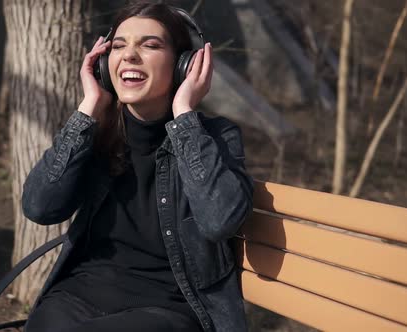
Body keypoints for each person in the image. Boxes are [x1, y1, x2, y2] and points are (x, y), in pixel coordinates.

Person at [22, 2, 253, 331]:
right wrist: (88, 108)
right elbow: (39, 207)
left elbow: (219, 222)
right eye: (118, 46)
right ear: (104, 64)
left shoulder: (214, 138)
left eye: (150, 45)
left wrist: (185, 114)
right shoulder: (96, 133)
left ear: (183, 66)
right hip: (78, 297)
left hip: (166, 309)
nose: (129, 55)